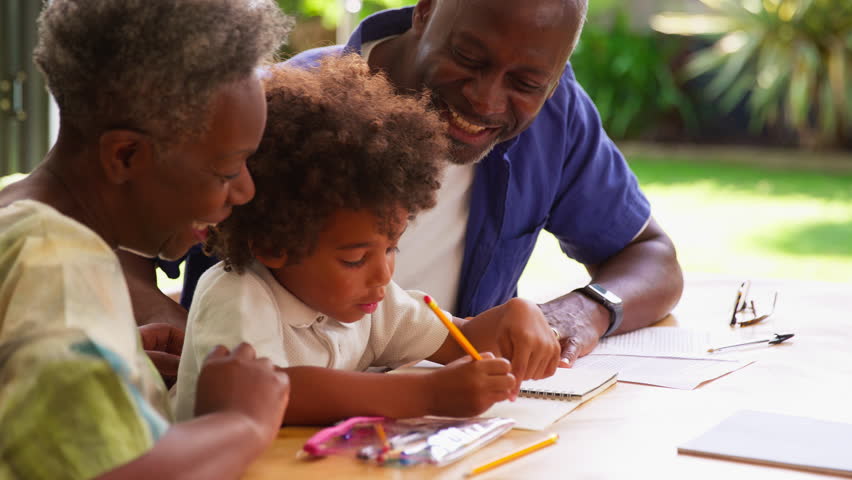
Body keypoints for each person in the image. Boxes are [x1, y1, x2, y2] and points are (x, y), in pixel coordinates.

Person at [134, 0, 684, 366]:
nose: (486, 100)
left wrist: (581, 310)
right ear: (424, 12)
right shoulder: (276, 109)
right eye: (468, 58)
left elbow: (650, 255)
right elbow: (104, 238)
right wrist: (184, 328)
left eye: (527, 82)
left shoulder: (557, 114)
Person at [173, 56, 562, 425]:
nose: (383, 273)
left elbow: (459, 341)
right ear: (274, 245)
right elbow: (269, 390)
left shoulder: (373, 303)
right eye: (355, 259)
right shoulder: (236, 297)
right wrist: (426, 393)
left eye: (391, 247)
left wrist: (514, 318)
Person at [0, 1, 292, 478]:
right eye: (226, 170)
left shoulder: (19, 222)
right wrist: (243, 422)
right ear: (126, 155)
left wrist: (111, 368)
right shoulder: (56, 265)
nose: (246, 191)